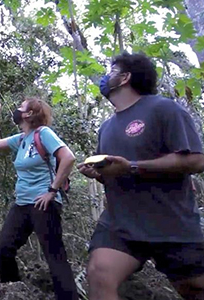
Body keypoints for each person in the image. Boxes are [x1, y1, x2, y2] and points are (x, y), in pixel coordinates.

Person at [78, 52, 204, 300]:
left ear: (125, 77)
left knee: (195, 289)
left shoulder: (164, 109)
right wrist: (99, 174)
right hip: (121, 223)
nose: (105, 77)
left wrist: (132, 166)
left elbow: (197, 160)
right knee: (100, 273)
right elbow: (114, 171)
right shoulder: (106, 127)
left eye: (110, 71)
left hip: (171, 224)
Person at [0, 97, 79, 300]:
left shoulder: (43, 134)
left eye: (21, 106)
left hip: (43, 202)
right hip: (22, 204)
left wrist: (52, 190)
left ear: (29, 114)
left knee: (54, 256)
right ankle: (12, 292)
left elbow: (68, 157)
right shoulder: (21, 139)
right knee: (4, 248)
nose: (17, 109)